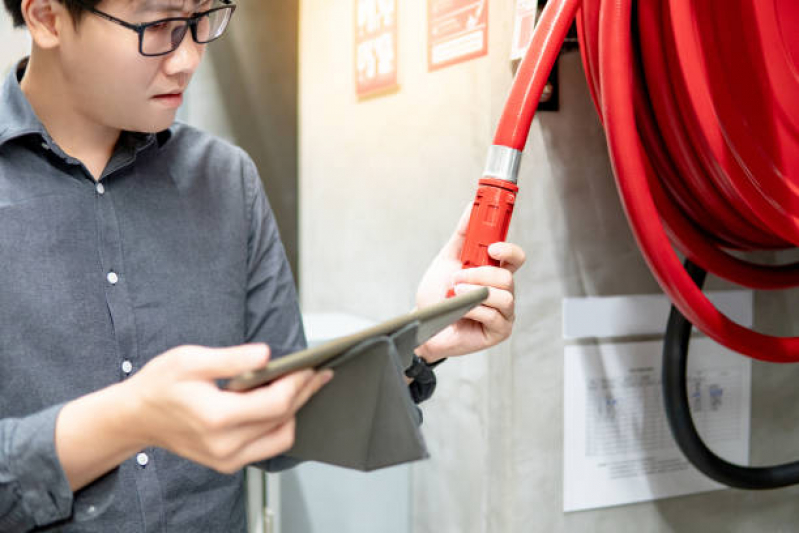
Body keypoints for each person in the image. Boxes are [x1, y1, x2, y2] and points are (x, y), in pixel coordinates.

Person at [0, 0, 527, 531]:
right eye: (158, 25)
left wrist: (421, 339)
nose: (188, 58)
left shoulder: (226, 179)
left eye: (201, 19)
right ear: (47, 17)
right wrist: (127, 420)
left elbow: (283, 424)